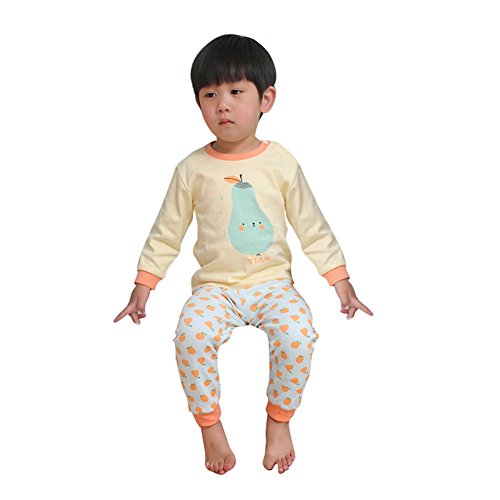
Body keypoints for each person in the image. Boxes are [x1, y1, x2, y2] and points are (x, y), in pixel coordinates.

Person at [114, 34, 373, 475]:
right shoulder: (191, 169)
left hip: (273, 285)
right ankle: (209, 427)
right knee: (191, 336)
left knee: (297, 335)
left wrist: (340, 280)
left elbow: (311, 224)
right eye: (210, 95)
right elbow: (166, 231)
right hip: (216, 289)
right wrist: (144, 284)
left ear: (266, 99)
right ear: (198, 104)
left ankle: (279, 421)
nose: (223, 105)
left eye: (236, 92)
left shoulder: (281, 162)